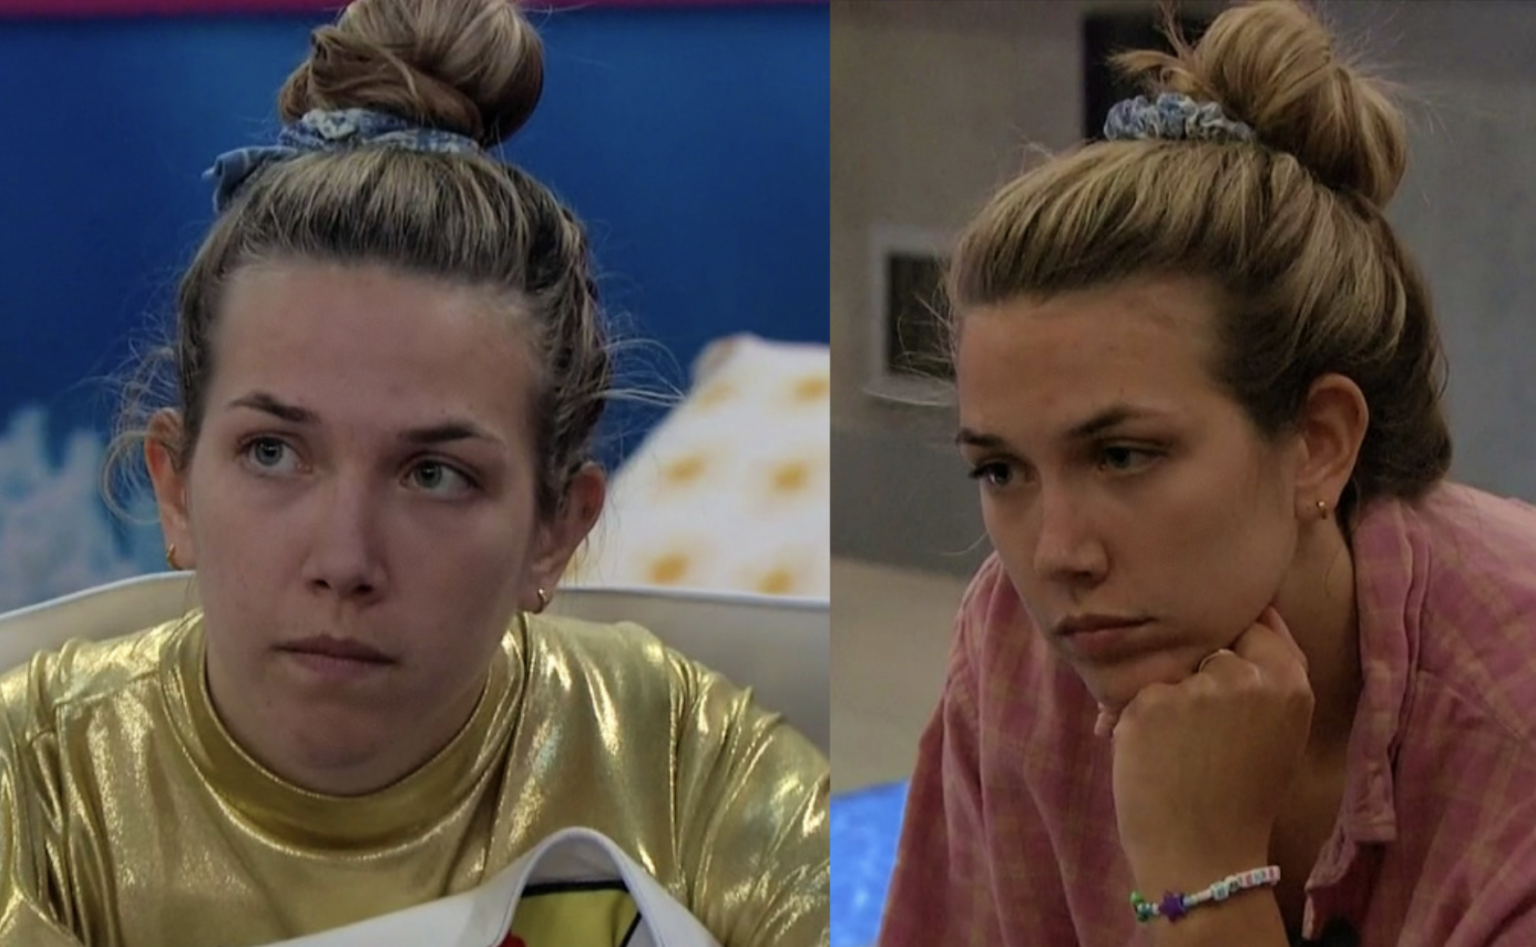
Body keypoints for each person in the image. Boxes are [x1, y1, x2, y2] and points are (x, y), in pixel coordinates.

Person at [0, 1, 829, 945]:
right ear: (176, 488)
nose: (344, 560)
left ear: (557, 529)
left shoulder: (688, 770)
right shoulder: (34, 782)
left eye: (434, 474)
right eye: (273, 453)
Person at [875, 1, 1536, 945]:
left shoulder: (1511, 724)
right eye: (1001, 469)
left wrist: (1203, 876)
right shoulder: (1018, 651)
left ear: (1318, 441)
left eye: (1122, 455)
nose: (1057, 554)